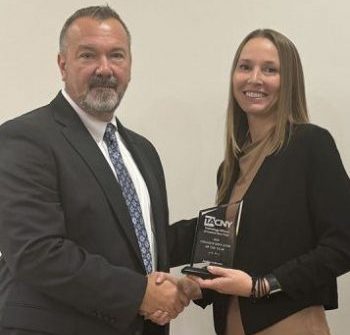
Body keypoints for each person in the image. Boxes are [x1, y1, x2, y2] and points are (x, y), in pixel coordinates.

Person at [0, 5, 197, 335]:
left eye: (116, 56)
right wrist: (139, 294)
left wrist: (225, 227)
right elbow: (36, 253)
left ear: (130, 66)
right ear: (63, 64)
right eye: (88, 55)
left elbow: (139, 244)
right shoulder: (25, 138)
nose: (104, 69)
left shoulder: (143, 151)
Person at [190, 29, 350, 335]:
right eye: (245, 66)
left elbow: (343, 244)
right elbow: (230, 251)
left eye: (270, 69)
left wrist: (261, 286)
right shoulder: (229, 169)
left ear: (288, 80)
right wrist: (193, 285)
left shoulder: (311, 145)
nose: (254, 78)